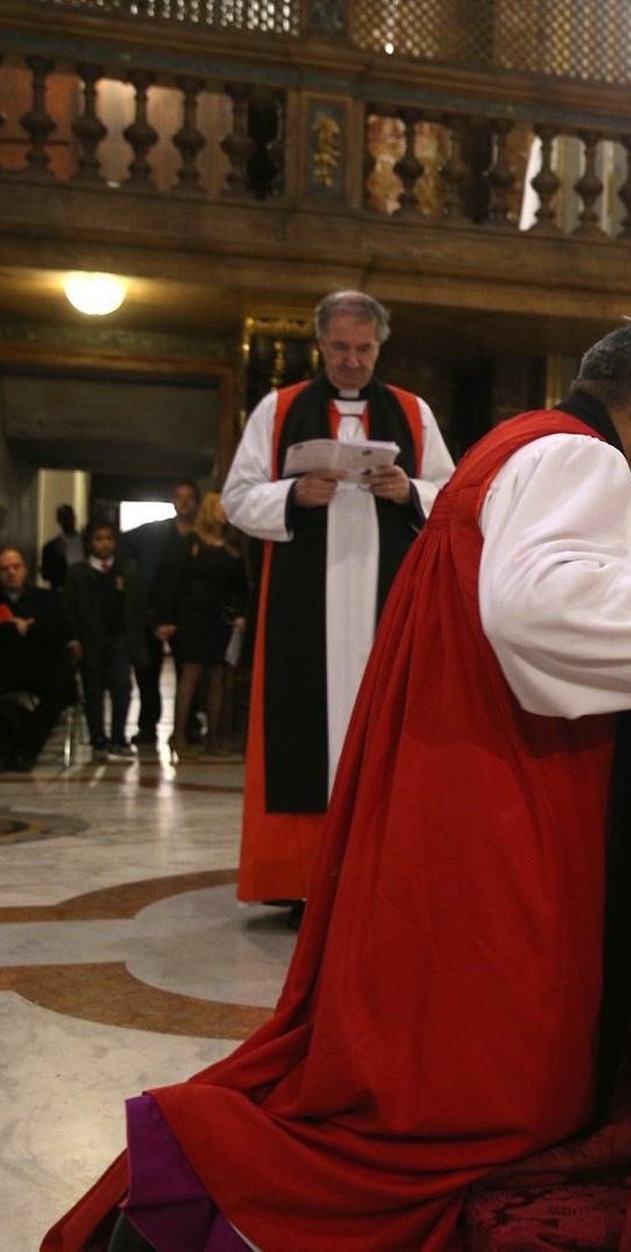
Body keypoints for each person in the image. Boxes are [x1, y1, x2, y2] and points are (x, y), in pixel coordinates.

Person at [43, 325, 631, 1251]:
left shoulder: (512, 439)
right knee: (492, 1084)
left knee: (418, 1029)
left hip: (446, 755)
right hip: (502, 774)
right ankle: (228, 1186)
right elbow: (538, 607)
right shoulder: (586, 459)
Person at [223, 290, 456, 908]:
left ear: (380, 345)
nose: (352, 361)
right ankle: (300, 881)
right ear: (319, 345)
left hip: (387, 602)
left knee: (385, 726)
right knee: (305, 728)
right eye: (340, 348)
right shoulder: (277, 411)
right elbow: (237, 497)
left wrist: (409, 489)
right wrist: (292, 496)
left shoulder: (412, 412)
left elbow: (454, 495)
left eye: (364, 348)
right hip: (306, 602)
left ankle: (378, 877)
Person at [0, 546, 80, 774]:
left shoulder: (47, 599)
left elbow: (60, 634)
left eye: (16, 567)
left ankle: (26, 750)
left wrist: (30, 631)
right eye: (4, 569)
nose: (12, 573)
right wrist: (11, 631)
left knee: (60, 684)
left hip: (37, 664)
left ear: (25, 569)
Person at [151, 494, 249, 760]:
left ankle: (215, 737)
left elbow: (240, 586)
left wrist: (240, 613)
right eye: (220, 508)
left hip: (220, 618)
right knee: (191, 674)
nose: (225, 512)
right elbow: (171, 580)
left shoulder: (231, 546)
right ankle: (179, 734)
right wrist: (166, 618)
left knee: (218, 677)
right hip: (192, 615)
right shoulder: (191, 542)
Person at [122, 481, 199, 749]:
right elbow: (125, 544)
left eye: (190, 497)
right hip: (153, 611)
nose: (185, 502)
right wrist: (129, 576)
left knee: (189, 674)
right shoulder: (155, 532)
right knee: (147, 672)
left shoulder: (203, 534)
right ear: (172, 501)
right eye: (179, 497)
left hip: (188, 614)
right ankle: (147, 726)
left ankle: (189, 725)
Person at [64, 521, 146, 762]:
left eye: (109, 538)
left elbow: (135, 605)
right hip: (91, 639)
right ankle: (97, 738)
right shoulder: (78, 573)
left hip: (119, 636)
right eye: (99, 539)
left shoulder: (126, 570)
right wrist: (73, 638)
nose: (104, 543)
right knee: (94, 690)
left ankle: (119, 736)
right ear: (90, 544)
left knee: (122, 687)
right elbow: (69, 607)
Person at [40, 503, 84, 589]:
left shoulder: (86, 543)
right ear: (58, 520)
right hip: (62, 591)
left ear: (74, 517)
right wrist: (56, 557)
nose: (67, 521)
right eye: (63, 517)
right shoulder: (51, 547)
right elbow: (46, 575)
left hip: (84, 588)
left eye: (69, 517)